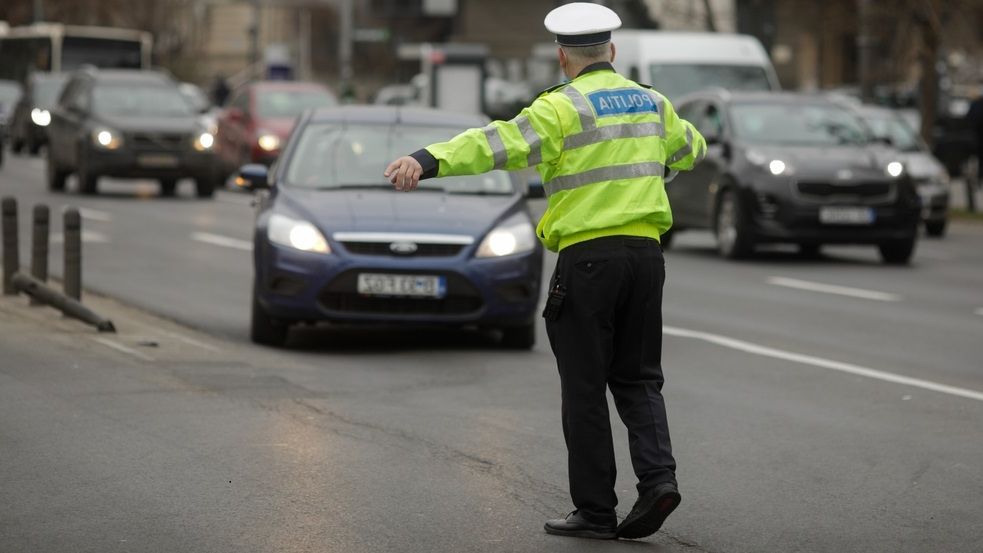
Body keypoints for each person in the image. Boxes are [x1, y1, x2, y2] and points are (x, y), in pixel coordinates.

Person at [384, 2, 705, 541]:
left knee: (585, 387)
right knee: (640, 378)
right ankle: (659, 481)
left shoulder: (562, 108)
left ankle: (596, 511)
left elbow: (497, 144)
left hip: (589, 260)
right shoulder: (653, 104)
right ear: (613, 52)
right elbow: (690, 148)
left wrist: (429, 158)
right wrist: (659, 164)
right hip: (646, 257)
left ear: (562, 56)